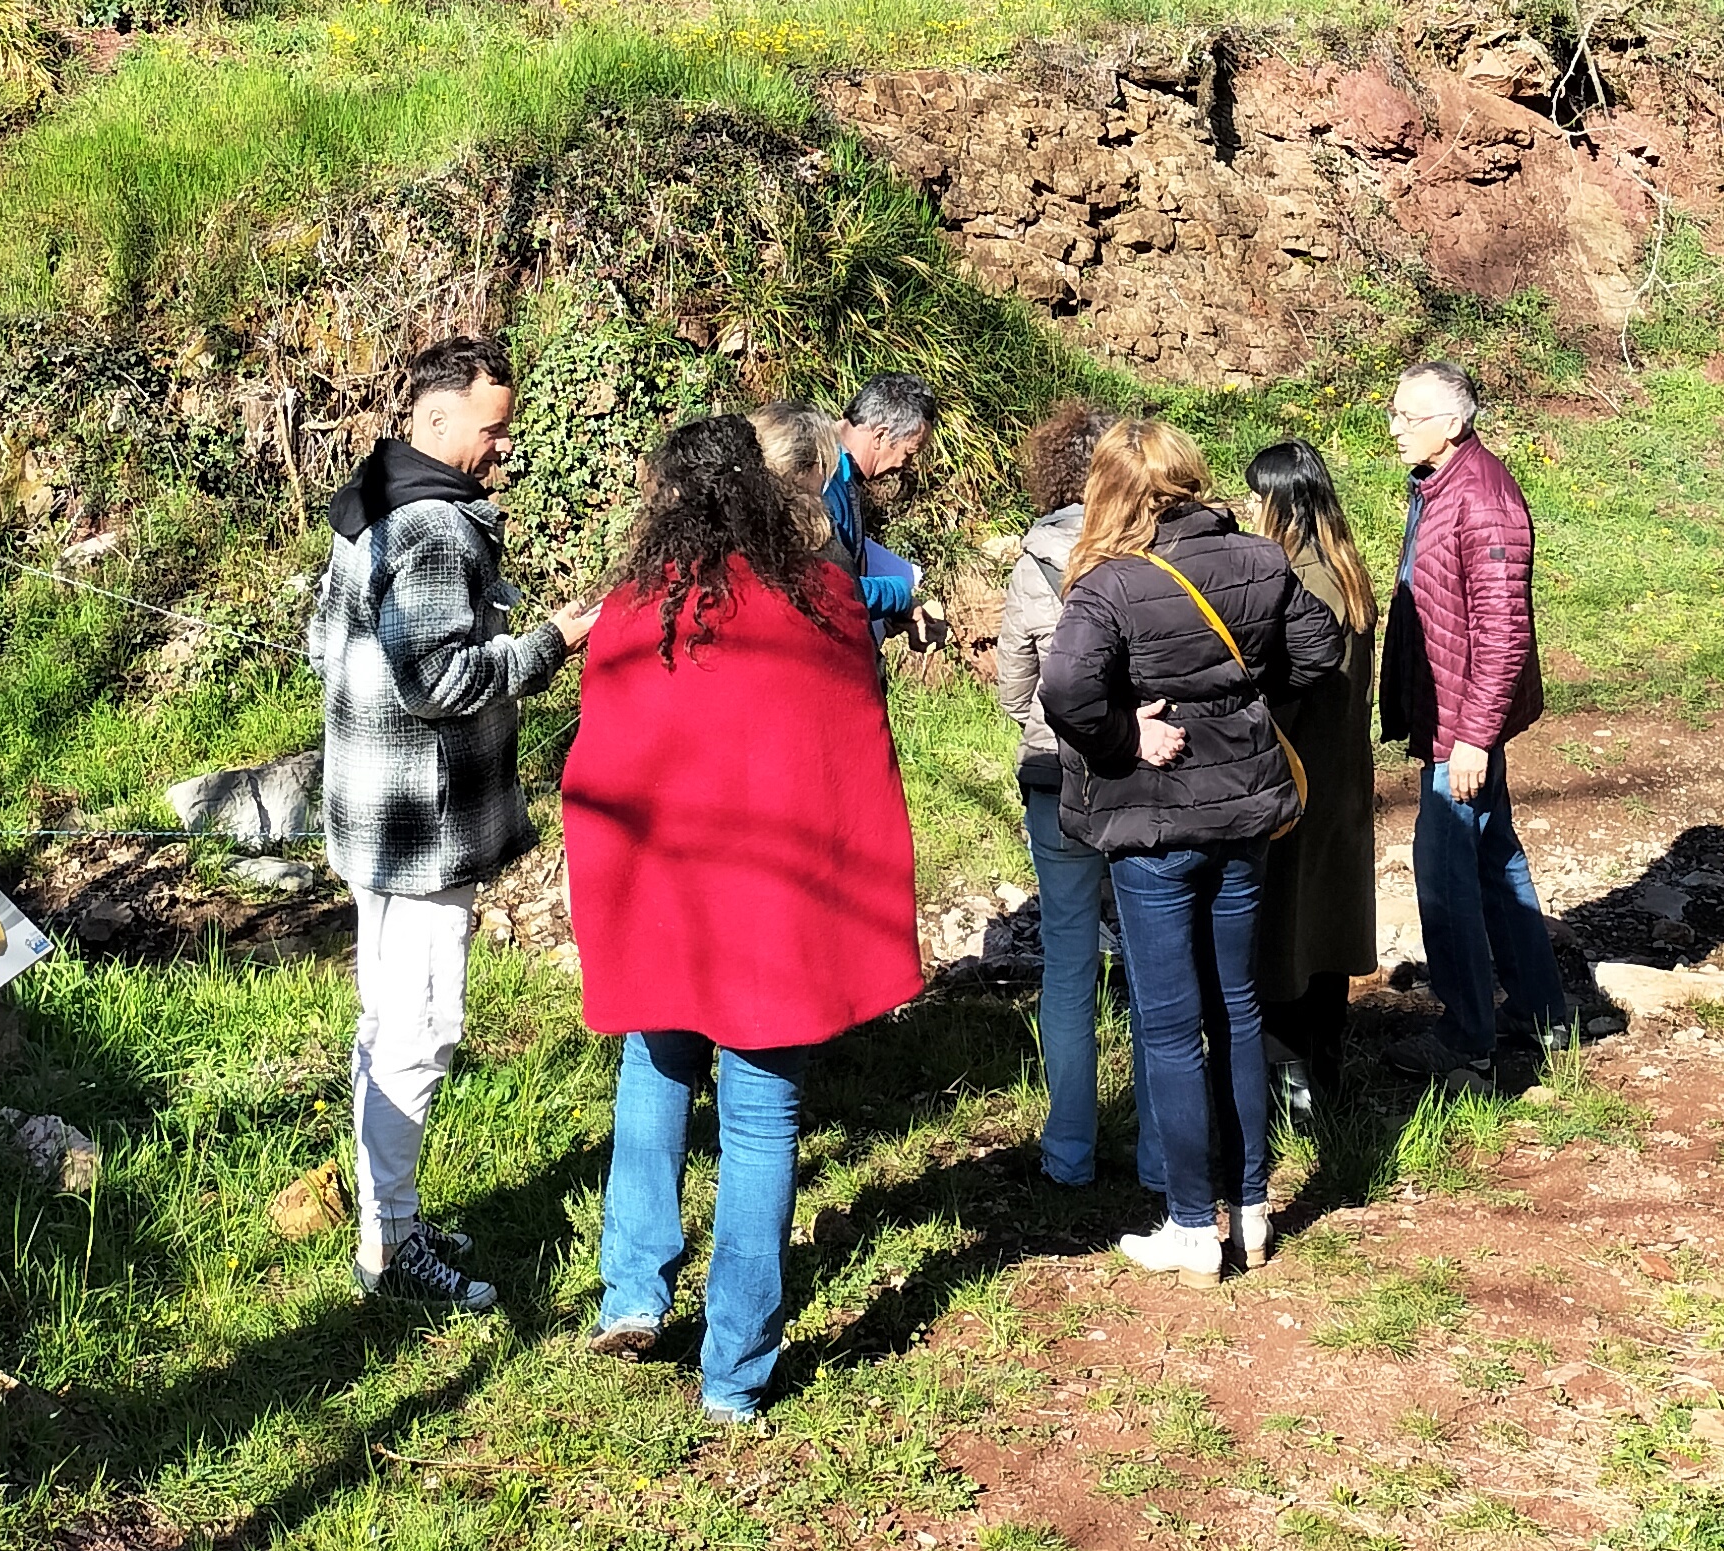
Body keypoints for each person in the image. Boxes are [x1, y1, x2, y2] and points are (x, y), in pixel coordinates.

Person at [564, 413, 924, 1419]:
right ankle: (734, 1376)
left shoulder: (636, 610)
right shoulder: (825, 602)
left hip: (669, 898)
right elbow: (855, 755)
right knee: (761, 1122)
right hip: (777, 906)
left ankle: (634, 1295)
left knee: (656, 1067)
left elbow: (599, 763)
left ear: (665, 502)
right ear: (768, 496)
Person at [308, 333, 601, 1314]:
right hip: (419, 827)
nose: (502, 448)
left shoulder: (372, 499)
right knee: (421, 1029)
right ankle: (392, 1249)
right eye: (492, 429)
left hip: (370, 810)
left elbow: (327, 645)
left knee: (386, 1019)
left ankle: (385, 1216)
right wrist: (550, 641)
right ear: (438, 421)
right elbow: (441, 680)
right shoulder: (433, 526)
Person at [1037, 419, 1341, 1284]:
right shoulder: (1257, 559)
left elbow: (1064, 688)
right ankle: (1249, 1209)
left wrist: (1124, 738)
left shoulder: (1106, 584)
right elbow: (1317, 651)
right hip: (1243, 819)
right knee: (1238, 1008)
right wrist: (1241, 710)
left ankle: (1187, 1223)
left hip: (1153, 825)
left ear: (1111, 491)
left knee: (1169, 1025)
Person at [1385, 360, 1566, 1082]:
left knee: (1446, 873)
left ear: (1452, 424)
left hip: (1461, 724)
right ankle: (1540, 1012)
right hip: (1450, 712)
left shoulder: (1483, 500)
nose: (1394, 428)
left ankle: (1469, 1040)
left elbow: (1503, 632)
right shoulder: (1442, 483)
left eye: (1408, 416)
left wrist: (1473, 737)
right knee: (1493, 858)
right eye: (1394, 413)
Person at [994, 397, 1156, 1192]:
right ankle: (1164, 1156)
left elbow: (1012, 688)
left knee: (1066, 964)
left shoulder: (1031, 566)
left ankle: (1068, 1154)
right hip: (1140, 772)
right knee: (1158, 958)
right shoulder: (1145, 550)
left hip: (1054, 774)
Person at [1244, 439, 1378, 1129]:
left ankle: (1289, 1089)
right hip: (1344, 780)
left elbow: (1279, 695)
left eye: (1253, 496)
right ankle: (1326, 1074)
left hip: (1297, 784)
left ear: (1279, 506)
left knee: (1283, 937)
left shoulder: (1297, 586)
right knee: (1327, 931)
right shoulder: (1347, 571)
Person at [814, 374, 938, 641]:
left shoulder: (840, 472)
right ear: (880, 435)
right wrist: (899, 596)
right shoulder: (822, 478)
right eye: (909, 453)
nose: (905, 465)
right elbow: (830, 590)